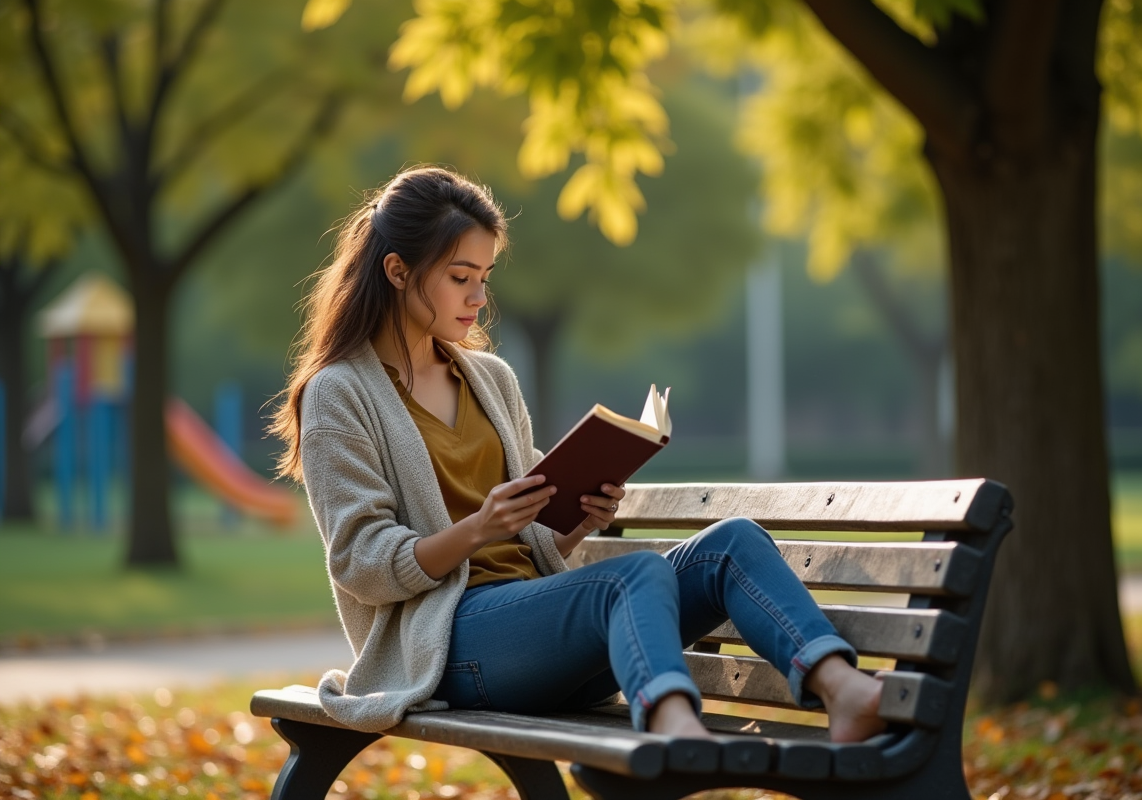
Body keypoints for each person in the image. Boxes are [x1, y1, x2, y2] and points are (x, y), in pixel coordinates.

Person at [270, 165, 886, 741]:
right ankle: (675, 733)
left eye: (484, 279)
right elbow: (361, 562)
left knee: (733, 543)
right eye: (460, 277)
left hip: (541, 638)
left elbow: (528, 545)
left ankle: (843, 688)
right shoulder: (339, 393)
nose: (478, 297)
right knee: (634, 575)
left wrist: (573, 521)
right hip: (446, 647)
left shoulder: (491, 379)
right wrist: (477, 528)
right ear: (399, 270)